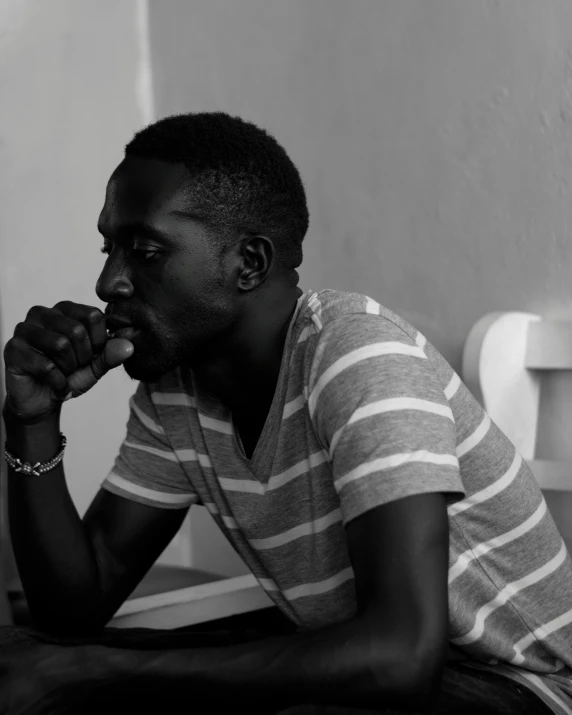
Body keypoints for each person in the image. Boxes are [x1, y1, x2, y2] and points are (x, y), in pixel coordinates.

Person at [1, 112, 571, 714]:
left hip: (518, 683)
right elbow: (71, 611)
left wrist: (95, 669)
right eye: (109, 248)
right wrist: (31, 420)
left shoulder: (356, 353)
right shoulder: (174, 391)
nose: (108, 280)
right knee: (20, 654)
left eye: (144, 251)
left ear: (249, 262)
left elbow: (402, 658)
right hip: (356, 663)